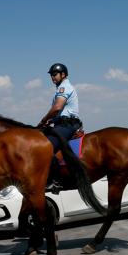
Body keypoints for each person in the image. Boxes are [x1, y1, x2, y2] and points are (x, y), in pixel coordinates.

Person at [38, 63, 82, 191]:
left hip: (67, 125)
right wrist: (50, 121)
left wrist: (44, 120)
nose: (52, 77)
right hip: (61, 123)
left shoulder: (64, 87)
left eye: (55, 74)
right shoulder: (60, 88)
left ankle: (55, 181)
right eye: (51, 75)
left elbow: (57, 108)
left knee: (46, 148)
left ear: (63, 75)